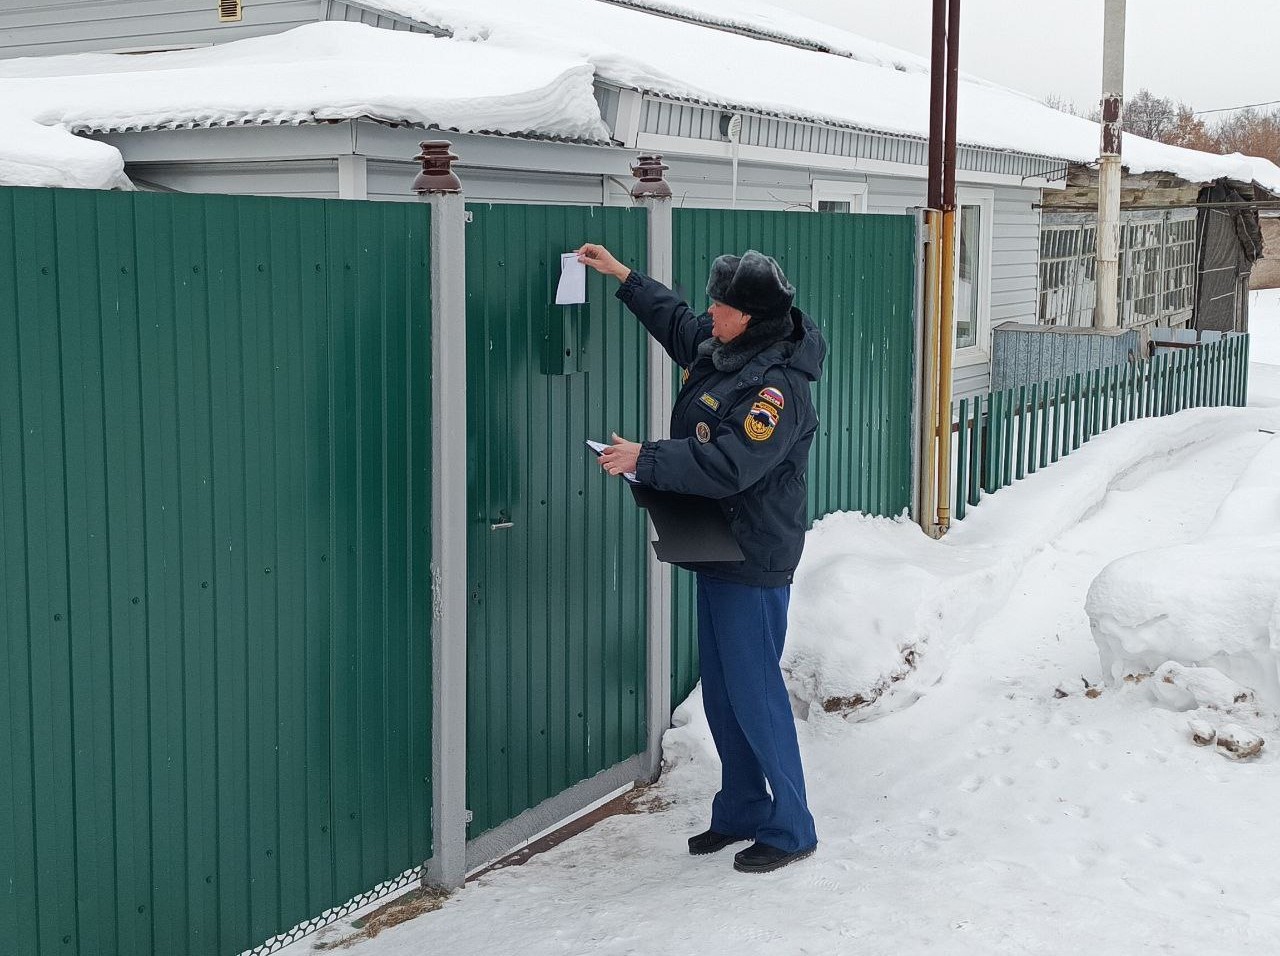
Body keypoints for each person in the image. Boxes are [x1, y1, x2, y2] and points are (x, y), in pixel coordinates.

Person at [577, 242, 826, 874]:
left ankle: (792, 825)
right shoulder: (728, 349)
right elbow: (680, 323)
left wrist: (647, 458)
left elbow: (733, 465)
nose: (709, 313)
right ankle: (741, 807)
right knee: (721, 690)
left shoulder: (777, 387)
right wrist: (624, 278)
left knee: (755, 691)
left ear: (748, 315)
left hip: (753, 553)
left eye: (721, 305)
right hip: (714, 544)